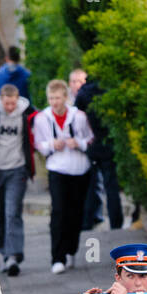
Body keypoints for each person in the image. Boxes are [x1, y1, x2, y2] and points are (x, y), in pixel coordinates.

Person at [33, 79, 93, 275]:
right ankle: (57, 257)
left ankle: (71, 249)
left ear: (65, 98)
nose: (54, 103)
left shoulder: (79, 117)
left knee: (75, 212)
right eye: (51, 98)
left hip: (78, 168)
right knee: (58, 211)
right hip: (57, 168)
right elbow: (39, 144)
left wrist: (79, 143)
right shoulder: (43, 118)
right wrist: (51, 145)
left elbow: (90, 138)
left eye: (57, 98)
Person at [0, 83, 36, 276]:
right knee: (0, 212)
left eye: (13, 103)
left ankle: (13, 256)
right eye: (7, 103)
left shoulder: (27, 114)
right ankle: (4, 251)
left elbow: (35, 132)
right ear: (1, 100)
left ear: (18, 99)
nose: (10, 107)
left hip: (17, 169)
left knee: (13, 212)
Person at [75, 76, 123, 231]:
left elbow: (78, 118)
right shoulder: (110, 90)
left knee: (90, 185)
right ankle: (116, 222)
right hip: (108, 142)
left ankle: (86, 222)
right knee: (111, 186)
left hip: (91, 143)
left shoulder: (83, 94)